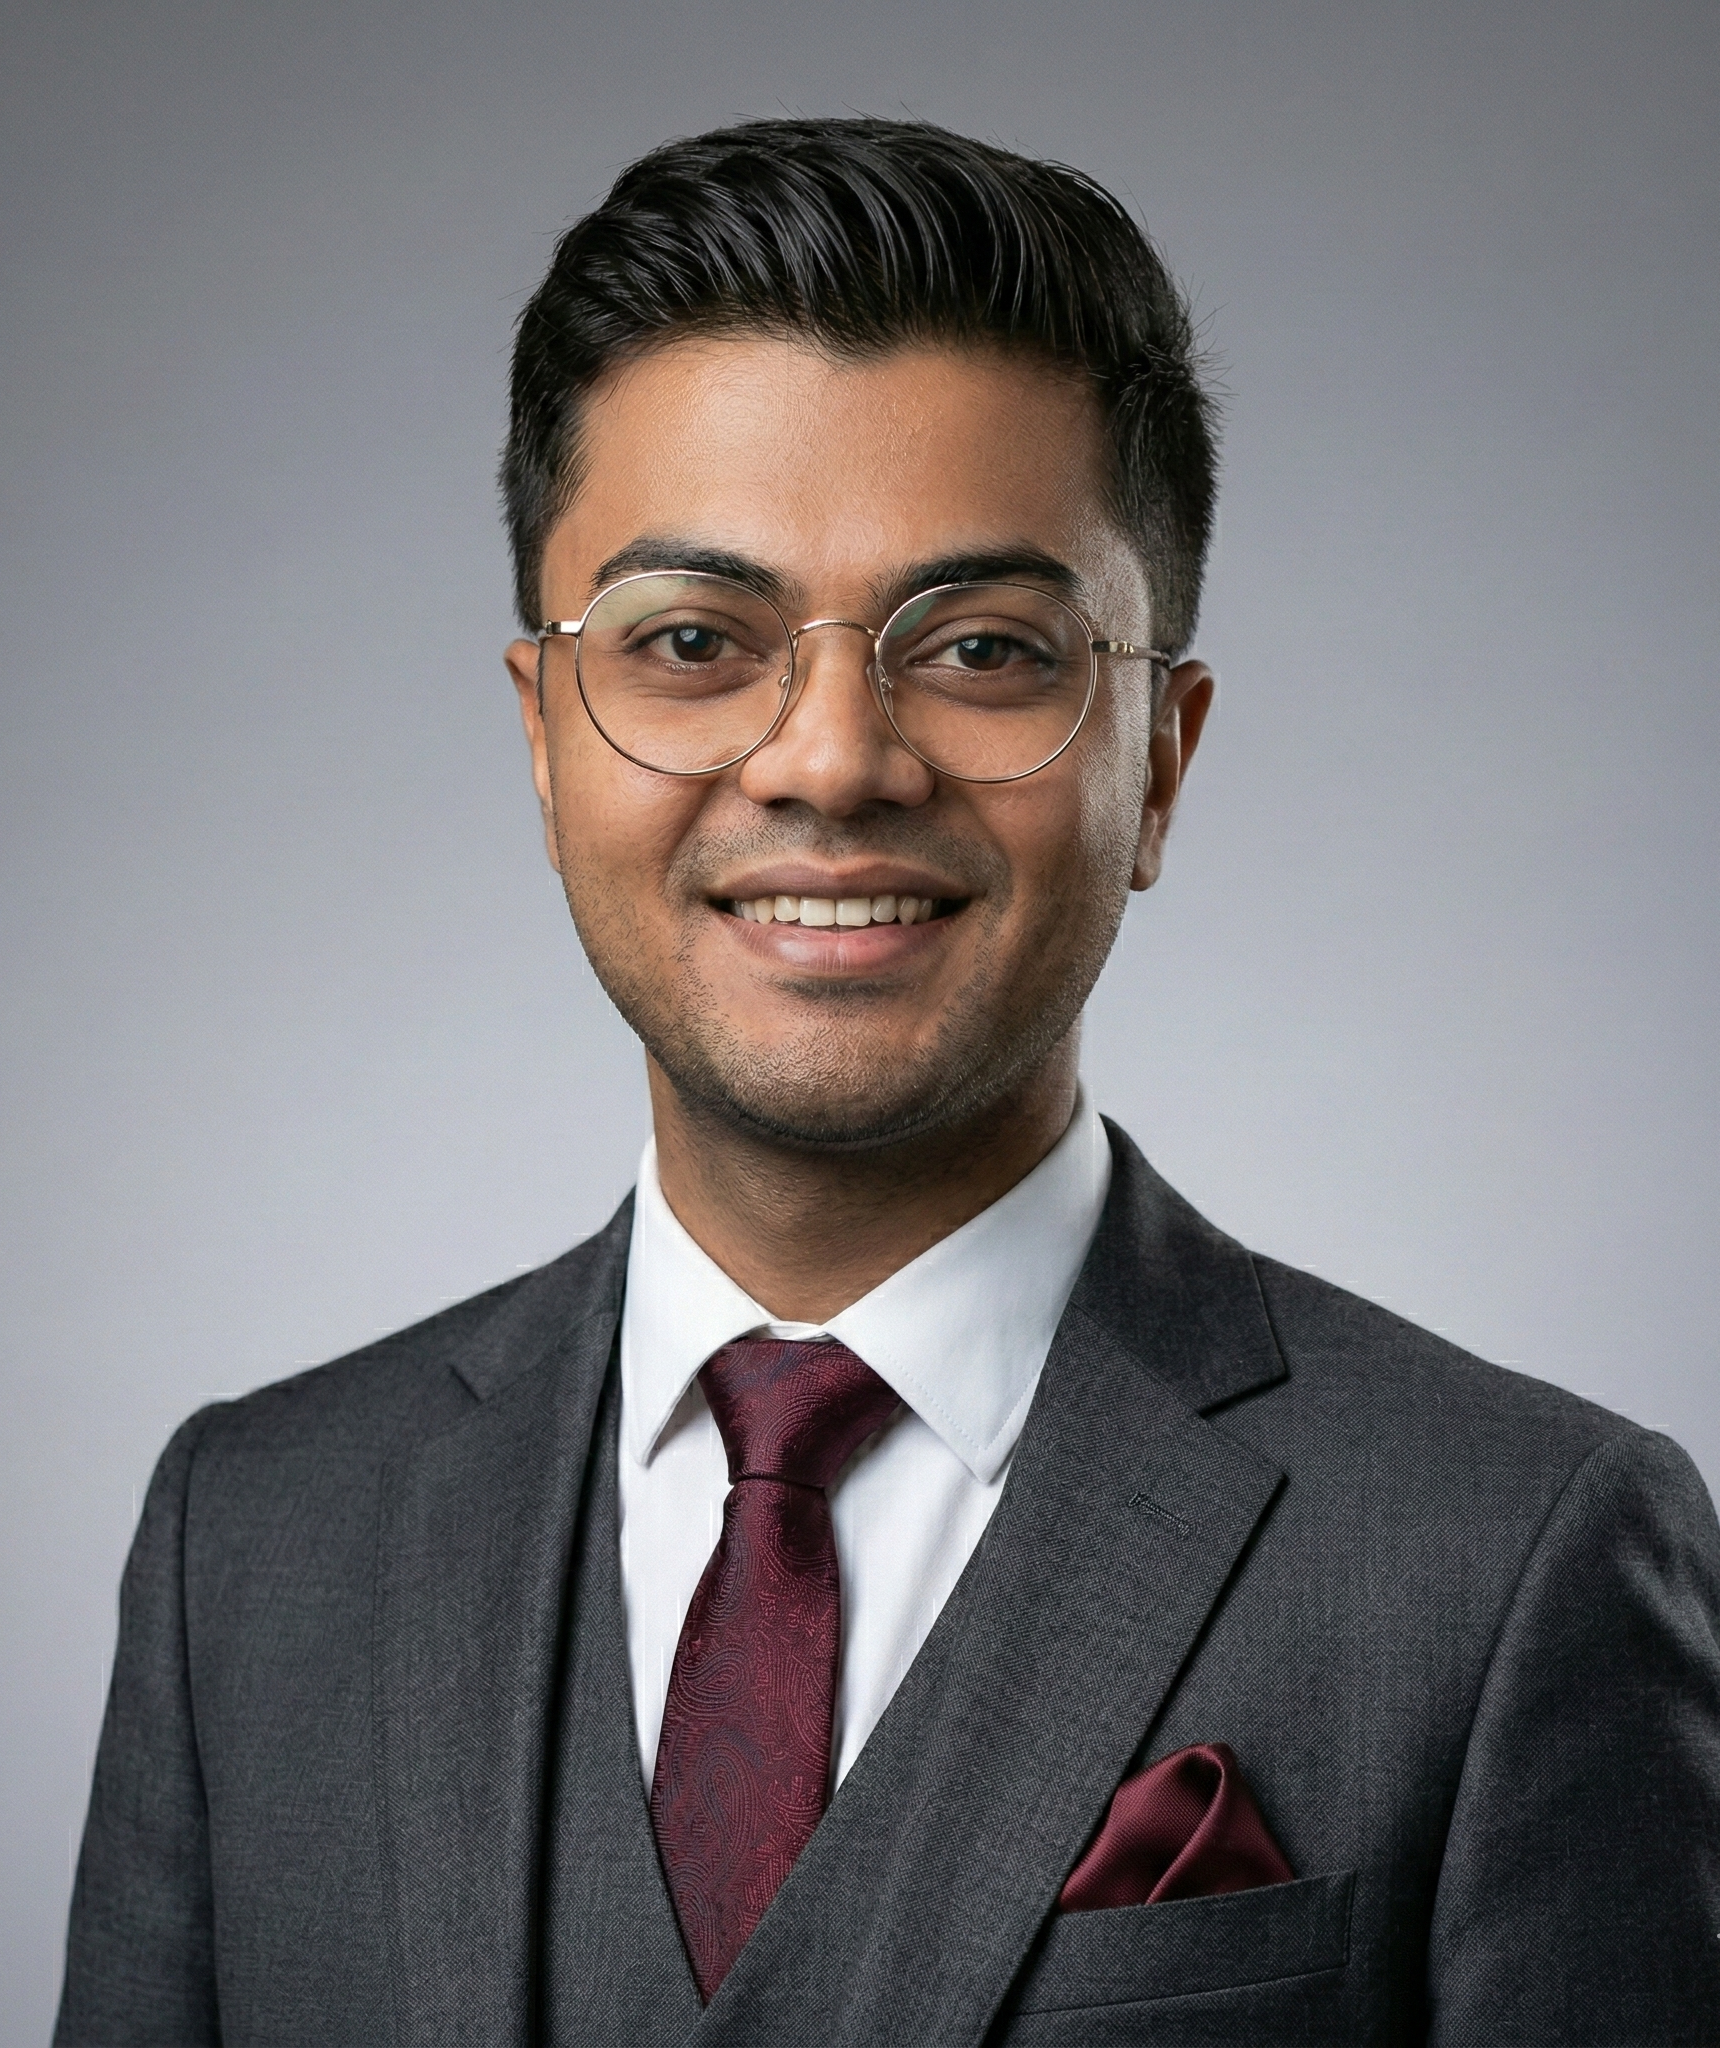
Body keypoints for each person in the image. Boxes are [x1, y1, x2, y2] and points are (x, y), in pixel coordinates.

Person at [55, 117, 1720, 2048]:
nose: (832, 760)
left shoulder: (1512, 1554)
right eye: (694, 640)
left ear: (1159, 762)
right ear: (543, 739)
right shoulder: (252, 1539)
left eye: (986, 648)